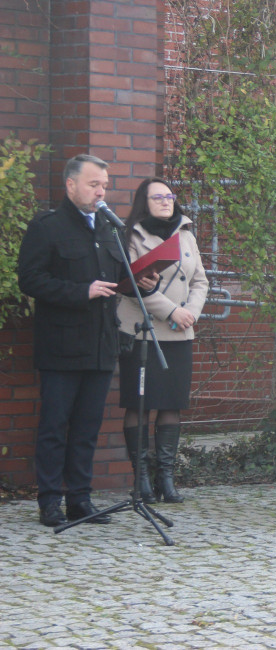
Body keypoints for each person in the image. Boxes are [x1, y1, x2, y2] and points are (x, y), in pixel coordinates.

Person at [17, 154, 157, 526]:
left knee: (86, 428)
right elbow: (29, 280)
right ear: (71, 185)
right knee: (54, 427)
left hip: (100, 344)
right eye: (94, 184)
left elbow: (116, 281)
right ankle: (50, 502)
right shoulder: (47, 227)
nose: (101, 192)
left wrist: (140, 282)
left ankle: (80, 499)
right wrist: (82, 291)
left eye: (105, 186)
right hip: (61, 346)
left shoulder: (110, 228)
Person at [117, 178, 209, 504]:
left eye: (169, 196)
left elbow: (200, 280)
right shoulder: (131, 236)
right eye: (158, 197)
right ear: (144, 202)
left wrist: (191, 313)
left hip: (180, 332)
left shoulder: (186, 233)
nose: (166, 201)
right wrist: (172, 311)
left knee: (172, 404)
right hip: (142, 330)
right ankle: (140, 479)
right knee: (139, 404)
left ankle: (165, 479)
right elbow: (131, 285)